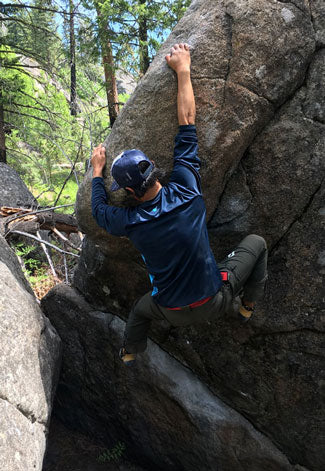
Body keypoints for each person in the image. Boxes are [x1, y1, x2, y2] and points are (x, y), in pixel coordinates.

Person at [91, 43, 268, 365]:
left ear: (129, 193)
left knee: (139, 313)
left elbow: (100, 213)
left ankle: (130, 352)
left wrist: (97, 174)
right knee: (256, 243)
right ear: (155, 168)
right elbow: (187, 121)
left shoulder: (129, 221)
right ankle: (247, 306)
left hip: (168, 310)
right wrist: (183, 69)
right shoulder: (188, 190)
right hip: (214, 300)